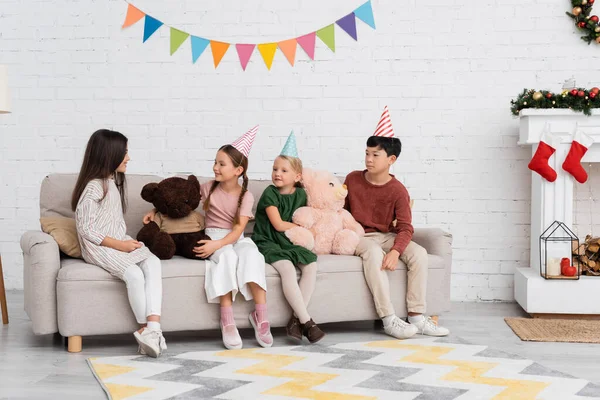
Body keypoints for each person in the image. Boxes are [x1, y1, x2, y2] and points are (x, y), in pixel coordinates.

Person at [345, 107, 450, 339]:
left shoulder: (398, 190)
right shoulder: (352, 179)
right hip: (361, 236)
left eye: (375, 155)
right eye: (367, 153)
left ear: (391, 159)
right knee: (373, 254)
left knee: (419, 254)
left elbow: (406, 227)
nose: (368, 159)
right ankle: (389, 319)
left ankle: (416, 317)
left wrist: (395, 251)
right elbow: (341, 214)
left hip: (388, 236)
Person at [72, 129, 166, 357]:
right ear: (109, 154)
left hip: (118, 241)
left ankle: (152, 329)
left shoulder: (112, 182)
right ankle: (146, 330)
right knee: (134, 274)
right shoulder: (95, 186)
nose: (128, 157)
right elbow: (85, 228)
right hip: (99, 246)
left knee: (152, 263)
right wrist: (119, 245)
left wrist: (125, 242)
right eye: (124, 153)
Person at [252, 132, 324, 343]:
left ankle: (295, 320)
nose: (277, 173)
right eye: (275, 169)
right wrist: (302, 229)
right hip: (269, 239)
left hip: (289, 239)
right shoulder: (270, 193)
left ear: (298, 176)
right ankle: (308, 322)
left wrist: (309, 231)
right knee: (287, 269)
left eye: (284, 170)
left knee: (310, 265)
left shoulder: (301, 194)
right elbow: (278, 224)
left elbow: (307, 216)